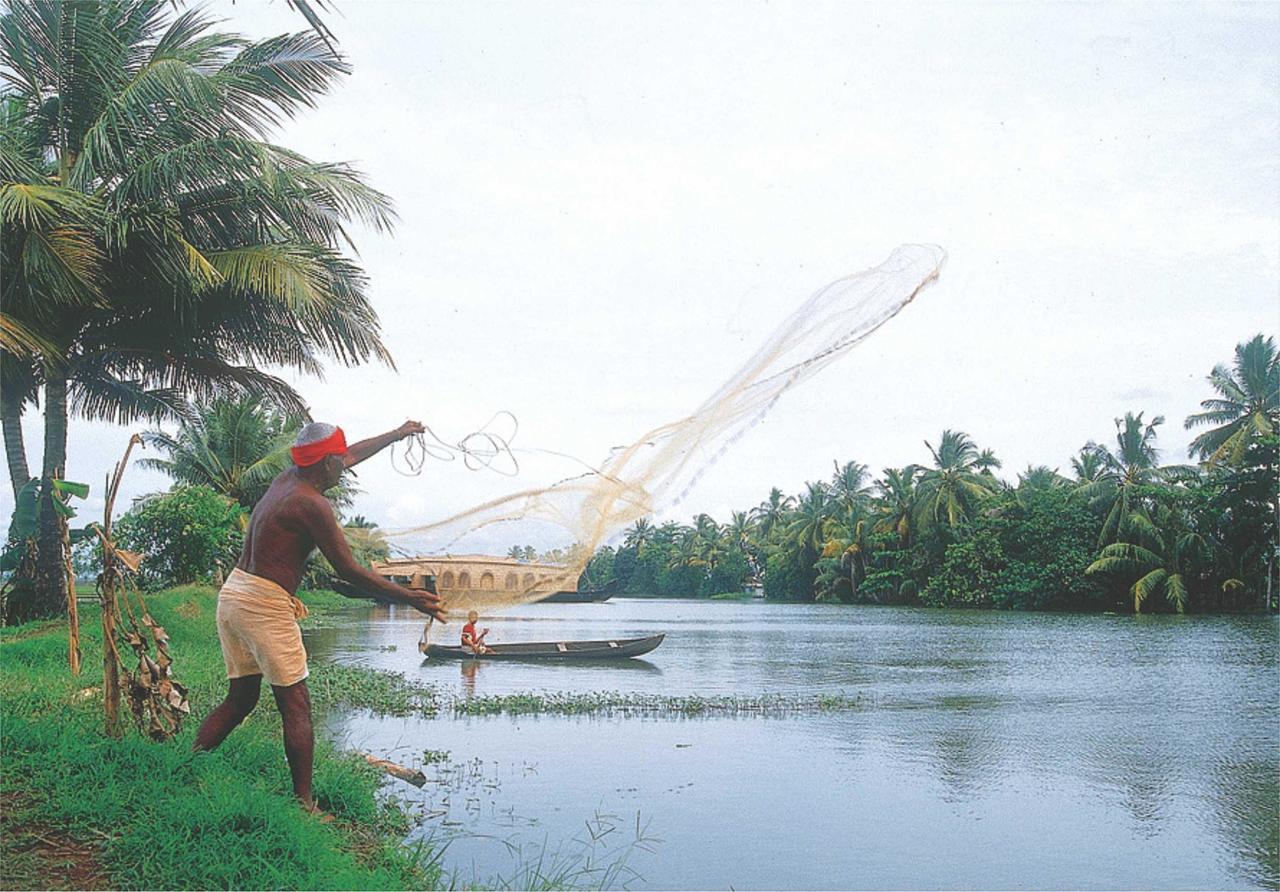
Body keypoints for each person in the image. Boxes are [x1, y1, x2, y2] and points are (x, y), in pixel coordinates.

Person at [192, 420, 447, 816]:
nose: (345, 466)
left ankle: (189, 763)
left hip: (234, 594)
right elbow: (347, 569)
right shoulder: (312, 504)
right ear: (326, 464)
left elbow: (353, 452)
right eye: (339, 461)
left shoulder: (286, 479)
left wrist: (396, 433)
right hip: (265, 603)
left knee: (241, 697)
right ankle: (304, 806)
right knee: (296, 705)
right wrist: (408, 597)